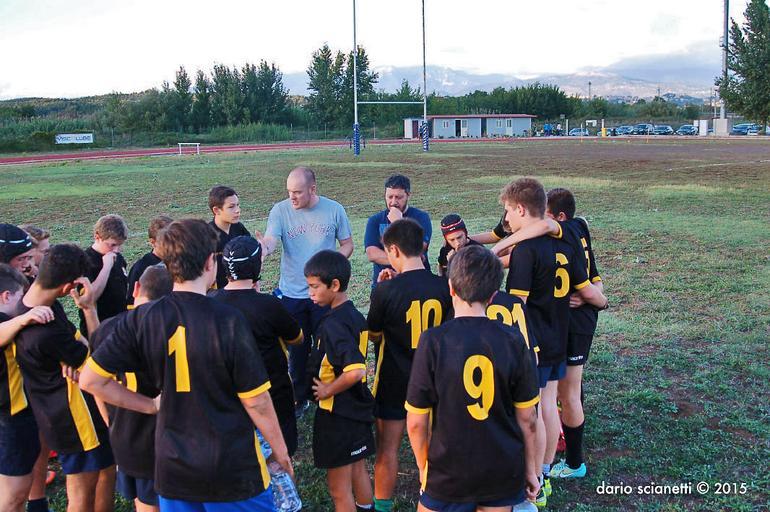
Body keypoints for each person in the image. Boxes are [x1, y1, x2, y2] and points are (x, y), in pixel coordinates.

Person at [80, 219, 291, 512]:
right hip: (231, 467)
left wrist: (149, 406)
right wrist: (281, 452)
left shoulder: (141, 319)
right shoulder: (227, 319)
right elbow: (256, 400)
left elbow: (90, 380)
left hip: (172, 466)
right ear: (209, 263)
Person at [405, 245, 540, 511]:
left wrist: (423, 468)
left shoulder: (432, 341)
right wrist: (530, 470)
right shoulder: (513, 340)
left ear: (451, 288)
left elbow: (416, 423)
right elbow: (528, 419)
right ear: (493, 296)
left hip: (446, 473)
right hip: (502, 470)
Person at [500, 178, 607, 508]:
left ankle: (532, 478)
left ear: (521, 209)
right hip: (560, 335)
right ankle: (544, 476)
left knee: (531, 414)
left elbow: (517, 306)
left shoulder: (526, 251)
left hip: (534, 342)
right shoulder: (565, 244)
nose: (507, 219)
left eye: (508, 211)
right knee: (548, 406)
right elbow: (584, 287)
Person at [14, 244, 116, 512]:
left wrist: (83, 358)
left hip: (58, 411)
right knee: (82, 492)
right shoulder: (47, 330)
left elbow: (84, 347)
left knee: (104, 472)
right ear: (68, 287)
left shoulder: (35, 306)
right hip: (75, 419)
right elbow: (99, 362)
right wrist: (89, 309)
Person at [366, 219, 452, 512]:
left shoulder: (385, 290)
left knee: (387, 449)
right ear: (422, 247)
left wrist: (383, 292)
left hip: (394, 378)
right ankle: (431, 497)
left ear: (393, 250)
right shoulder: (444, 287)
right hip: (434, 378)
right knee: (430, 444)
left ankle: (382, 505)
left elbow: (374, 334)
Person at [261, 166, 354, 415]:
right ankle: (300, 397)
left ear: (312, 189)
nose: (292, 197)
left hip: (324, 295)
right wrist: (264, 248)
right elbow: (271, 239)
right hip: (293, 294)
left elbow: (347, 244)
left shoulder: (334, 209)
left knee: (326, 346)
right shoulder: (280, 210)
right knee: (298, 350)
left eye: (298, 192)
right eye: (289, 191)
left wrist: (332, 266)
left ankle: (328, 392)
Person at [210, 235, 304, 456]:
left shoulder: (210, 302)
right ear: (256, 266)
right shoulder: (268, 305)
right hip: (271, 390)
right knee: (278, 453)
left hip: (228, 392)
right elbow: (297, 337)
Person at [89, 264, 173, 512]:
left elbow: (97, 386)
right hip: (158, 438)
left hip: (124, 434)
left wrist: (111, 423)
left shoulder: (106, 329)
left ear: (136, 288)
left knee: (142, 501)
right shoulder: (169, 330)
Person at [304, 250, 374, 512]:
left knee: (338, 489)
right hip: (357, 409)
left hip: (337, 415)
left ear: (334, 285)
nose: (310, 293)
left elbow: (355, 370)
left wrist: (327, 390)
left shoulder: (333, 324)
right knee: (358, 469)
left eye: (314, 287)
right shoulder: (354, 314)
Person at [544, 189, 603, 480]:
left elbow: (590, 287)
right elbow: (595, 276)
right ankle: (568, 439)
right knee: (570, 388)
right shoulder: (580, 226)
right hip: (578, 316)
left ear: (560, 217)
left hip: (576, 320)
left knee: (567, 392)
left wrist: (598, 299)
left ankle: (574, 463)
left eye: (546, 216)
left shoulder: (565, 231)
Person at [0, 264, 54, 512]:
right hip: (10, 418)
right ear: (6, 296)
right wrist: (23, 318)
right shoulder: (8, 321)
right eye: (20, 296)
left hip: (16, 415)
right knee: (15, 494)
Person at [364, 174, 432, 288]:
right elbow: (372, 254)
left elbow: (419, 249)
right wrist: (407, 261)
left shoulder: (421, 217)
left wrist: (398, 222)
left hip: (417, 283)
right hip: (385, 282)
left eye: (398, 197)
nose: (393, 202)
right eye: (389, 197)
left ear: (408, 195)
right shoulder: (375, 220)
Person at [79, 214, 129, 338]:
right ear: (97, 237)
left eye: (119, 245)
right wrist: (106, 267)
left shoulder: (117, 257)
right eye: (112, 245)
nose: (116, 250)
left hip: (119, 326)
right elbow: (88, 299)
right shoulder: (85, 261)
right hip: (98, 330)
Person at [208, 186, 250, 290]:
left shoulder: (239, 228)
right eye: (231, 207)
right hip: (216, 293)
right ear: (216, 210)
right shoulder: (207, 235)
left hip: (240, 289)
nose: (237, 210)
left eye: (238, 205)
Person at [126, 215, 173, 305]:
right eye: (166, 242)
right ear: (152, 242)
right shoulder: (141, 268)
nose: (171, 246)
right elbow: (132, 302)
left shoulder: (179, 262)